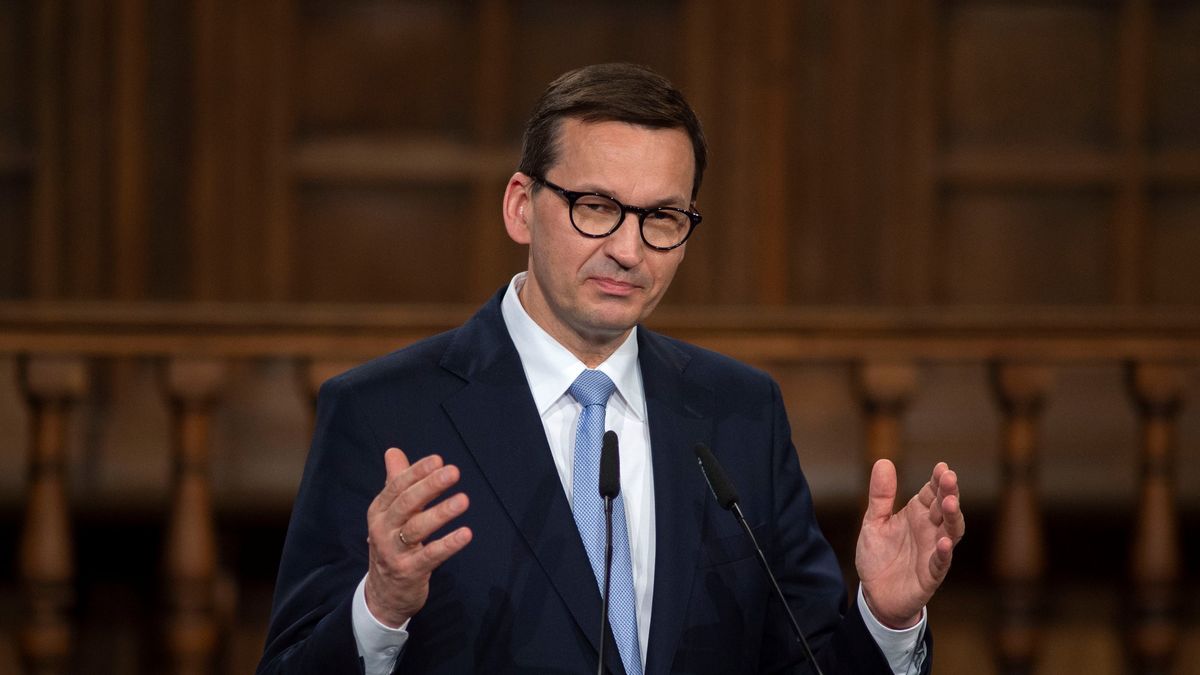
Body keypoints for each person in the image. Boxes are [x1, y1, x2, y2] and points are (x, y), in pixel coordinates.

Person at [258, 63, 963, 675]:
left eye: (661, 217)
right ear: (520, 208)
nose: (629, 249)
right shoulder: (383, 412)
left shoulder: (740, 413)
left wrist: (886, 619)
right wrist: (378, 607)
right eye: (596, 207)